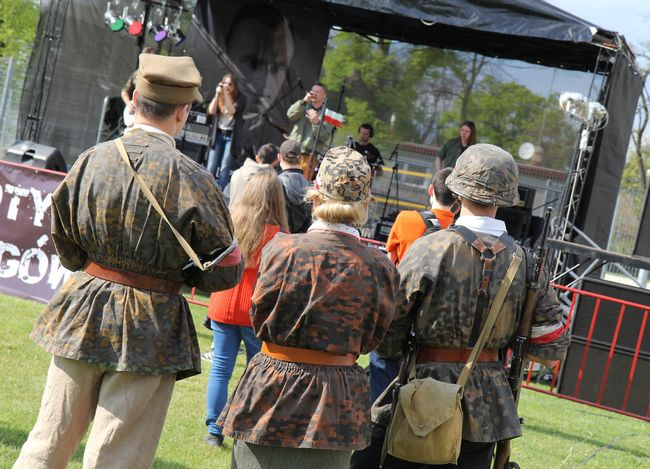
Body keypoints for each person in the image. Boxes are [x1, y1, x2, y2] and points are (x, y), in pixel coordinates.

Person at [13, 54, 243, 469]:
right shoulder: (195, 179)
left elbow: (63, 239)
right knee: (118, 457)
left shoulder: (90, 160)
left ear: (135, 99)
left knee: (46, 443)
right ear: (185, 111)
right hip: (151, 326)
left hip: (81, 311)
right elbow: (226, 269)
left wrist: (96, 268)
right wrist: (181, 274)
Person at [355, 144, 570, 469]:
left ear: (457, 189)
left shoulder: (429, 247)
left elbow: (387, 333)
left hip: (423, 395)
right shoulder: (527, 263)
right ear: (505, 196)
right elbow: (552, 345)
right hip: (489, 407)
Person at [218, 147, 399, 468]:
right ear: (365, 204)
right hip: (338, 396)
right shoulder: (380, 266)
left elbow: (259, 315)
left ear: (315, 195)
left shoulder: (282, 249)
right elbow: (378, 337)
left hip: (273, 389)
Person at [205, 171, 288, 448]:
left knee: (220, 368)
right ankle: (247, 428)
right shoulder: (279, 236)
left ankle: (213, 429)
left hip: (223, 304)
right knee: (257, 374)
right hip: (255, 312)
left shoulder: (230, 222)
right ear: (276, 199)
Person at [367, 167, 457, 405]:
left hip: (398, 317)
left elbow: (390, 261)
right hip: (434, 326)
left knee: (380, 393)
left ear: (431, 190)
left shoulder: (406, 219)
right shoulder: (460, 235)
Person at [206, 73, 247, 189]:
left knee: (224, 168)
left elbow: (231, 111)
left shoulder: (241, 98)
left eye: (230, 84)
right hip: (218, 135)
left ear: (234, 87)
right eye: (225, 83)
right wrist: (217, 94)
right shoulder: (220, 96)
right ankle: (206, 191)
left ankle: (220, 195)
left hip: (231, 137)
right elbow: (211, 111)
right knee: (211, 167)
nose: (227, 86)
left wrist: (225, 93)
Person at [287, 83, 333, 179]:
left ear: (324, 96)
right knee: (284, 178)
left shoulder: (327, 115)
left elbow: (324, 138)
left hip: (308, 156)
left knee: (301, 183)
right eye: (313, 91)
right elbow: (290, 115)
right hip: (291, 150)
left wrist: (316, 123)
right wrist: (304, 101)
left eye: (318, 92)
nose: (314, 93)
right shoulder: (303, 105)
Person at [277, 139, 312, 233]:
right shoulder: (312, 188)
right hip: (300, 242)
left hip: (275, 241)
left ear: (279, 157)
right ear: (301, 159)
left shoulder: (273, 185)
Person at [120, 46, 156, 127]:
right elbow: (124, 91)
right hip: (135, 115)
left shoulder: (157, 76)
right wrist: (128, 104)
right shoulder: (136, 74)